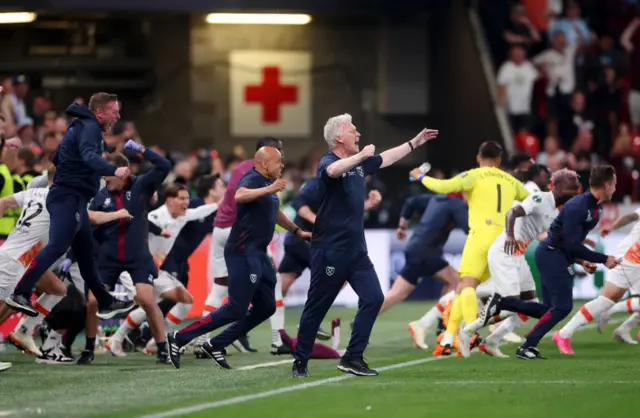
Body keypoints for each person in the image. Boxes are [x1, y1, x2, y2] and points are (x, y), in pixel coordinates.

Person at [292, 113, 438, 378]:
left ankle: (352, 357)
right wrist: (360, 157)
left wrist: (414, 143)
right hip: (330, 250)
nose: (358, 135)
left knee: (374, 298)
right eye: (353, 131)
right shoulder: (328, 162)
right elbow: (335, 171)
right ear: (339, 137)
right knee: (317, 306)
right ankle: (300, 361)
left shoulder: (360, 165)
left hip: (356, 250)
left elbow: (387, 158)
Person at [167, 146, 309, 369]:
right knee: (236, 307)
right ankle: (179, 337)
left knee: (267, 307)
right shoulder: (252, 178)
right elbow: (239, 196)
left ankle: (217, 343)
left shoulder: (266, 185)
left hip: (259, 253)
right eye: (278, 161)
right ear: (264, 163)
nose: (282, 165)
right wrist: (270, 188)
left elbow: (275, 212)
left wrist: (297, 231)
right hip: (242, 252)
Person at [5, 94, 135, 318]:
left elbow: (60, 160)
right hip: (69, 197)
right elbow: (88, 156)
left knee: (86, 254)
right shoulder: (90, 127)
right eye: (114, 111)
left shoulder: (81, 127)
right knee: (57, 246)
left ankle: (104, 301)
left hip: (73, 197)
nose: (118, 116)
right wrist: (113, 170)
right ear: (100, 112)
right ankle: (21, 292)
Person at [482, 165, 620, 359]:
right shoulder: (579, 207)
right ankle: (526, 341)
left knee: (550, 309)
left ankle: (506, 308)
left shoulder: (594, 209)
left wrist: (582, 260)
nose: (616, 187)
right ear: (606, 185)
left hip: (557, 254)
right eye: (614, 183)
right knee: (563, 307)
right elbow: (571, 244)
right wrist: (604, 259)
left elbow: (569, 243)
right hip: (551, 255)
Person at [0, 166, 132, 361]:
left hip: (21, 259)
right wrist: (118, 214)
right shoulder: (62, 200)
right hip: (15, 261)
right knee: (6, 305)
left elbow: (3, 202)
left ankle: (24, 330)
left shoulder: (35, 192)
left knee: (57, 289)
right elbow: (91, 218)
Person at [413, 141, 529, 357]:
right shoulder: (511, 180)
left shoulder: (474, 175)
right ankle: (447, 339)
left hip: (480, 236)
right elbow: (530, 201)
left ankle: (471, 332)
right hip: (502, 241)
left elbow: (443, 187)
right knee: (465, 289)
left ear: (478, 158)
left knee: (465, 284)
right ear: (499, 160)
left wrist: (420, 175)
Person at [461, 169, 581, 358]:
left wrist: (582, 259)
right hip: (504, 252)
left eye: (576, 190)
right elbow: (513, 212)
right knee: (512, 304)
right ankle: (467, 331)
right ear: (556, 187)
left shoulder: (557, 212)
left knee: (527, 308)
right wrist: (509, 235)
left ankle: (492, 341)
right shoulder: (540, 199)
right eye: (570, 189)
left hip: (519, 256)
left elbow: (555, 241)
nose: (574, 194)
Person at [79, 141, 172, 363]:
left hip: (138, 257)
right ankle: (89, 349)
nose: (104, 179)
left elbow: (164, 165)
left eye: (108, 174)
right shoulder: (101, 196)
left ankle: (162, 349)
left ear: (122, 172)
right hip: (108, 259)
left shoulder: (142, 185)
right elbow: (88, 223)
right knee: (92, 302)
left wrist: (141, 149)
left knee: (147, 300)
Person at [106, 182, 222, 360]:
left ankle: (154, 339)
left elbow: (201, 211)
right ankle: (122, 339)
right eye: (181, 198)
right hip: (137, 269)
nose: (186, 203)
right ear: (169, 201)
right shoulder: (156, 216)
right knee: (149, 305)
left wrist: (221, 203)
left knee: (185, 300)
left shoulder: (182, 216)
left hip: (155, 271)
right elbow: (139, 224)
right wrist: (158, 231)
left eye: (187, 198)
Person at [277, 177, 382, 353]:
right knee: (335, 278)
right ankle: (312, 321)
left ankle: (248, 322)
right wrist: (318, 221)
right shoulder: (317, 183)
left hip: (301, 241)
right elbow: (299, 204)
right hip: (307, 240)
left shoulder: (344, 189)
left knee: (280, 287)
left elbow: (344, 215)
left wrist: (369, 205)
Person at [203, 136, 285, 353]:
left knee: (220, 287)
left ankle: (201, 340)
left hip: (220, 227)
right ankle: (278, 340)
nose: (281, 159)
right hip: (243, 233)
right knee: (270, 283)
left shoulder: (241, 167)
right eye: (279, 153)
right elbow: (246, 198)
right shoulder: (259, 175)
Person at [385, 191, 467, 350]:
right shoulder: (457, 204)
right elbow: (469, 228)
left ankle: (361, 322)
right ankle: (442, 327)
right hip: (427, 252)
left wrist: (402, 225)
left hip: (415, 248)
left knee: (396, 294)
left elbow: (411, 201)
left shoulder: (438, 198)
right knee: (457, 283)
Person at [556, 203, 640, 352]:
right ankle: (563, 334)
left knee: (612, 302)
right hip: (628, 259)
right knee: (605, 301)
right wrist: (612, 227)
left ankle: (621, 325)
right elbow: (632, 216)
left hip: (635, 262)